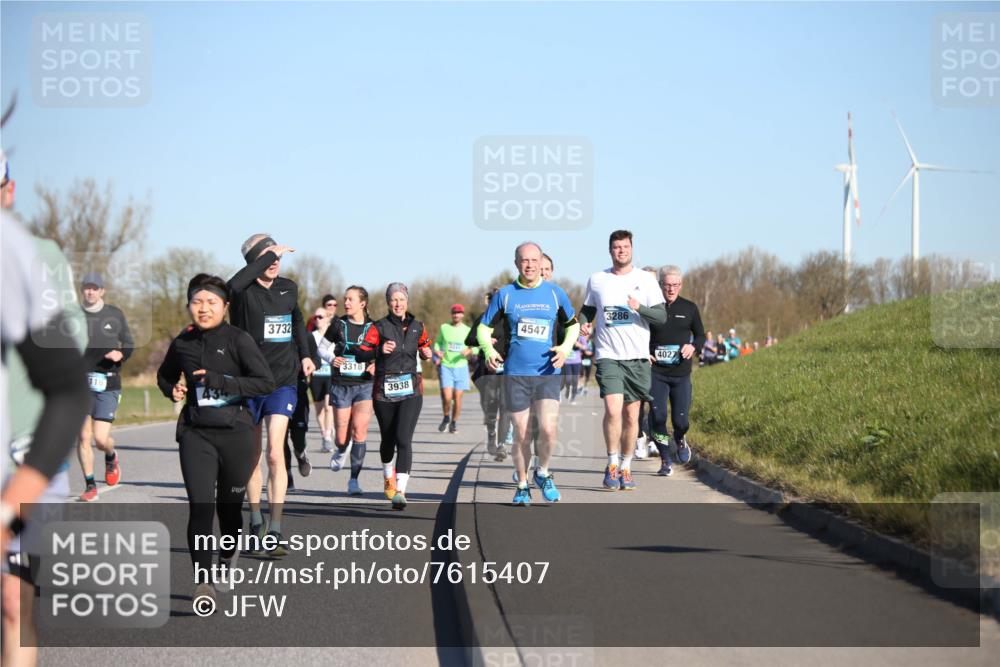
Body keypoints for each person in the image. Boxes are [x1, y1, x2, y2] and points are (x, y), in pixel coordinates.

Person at [2, 150, 90, 667]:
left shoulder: (28, 254)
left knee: (13, 602)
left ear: (8, 192)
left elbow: (68, 351)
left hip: (18, 455)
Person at [157, 274, 275, 608]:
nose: (204, 308)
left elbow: (264, 382)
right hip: (196, 433)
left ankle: (227, 557)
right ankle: (204, 582)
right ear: (189, 306)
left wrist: (220, 381)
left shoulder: (239, 340)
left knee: (229, 511)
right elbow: (164, 375)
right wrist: (172, 389)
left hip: (237, 435)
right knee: (200, 507)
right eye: (197, 302)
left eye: (211, 302)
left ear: (225, 306)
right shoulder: (183, 342)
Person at [227, 234, 314, 554]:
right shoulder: (241, 292)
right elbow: (232, 286)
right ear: (253, 261)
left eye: (278, 255)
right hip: (248, 383)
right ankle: (253, 518)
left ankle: (274, 528)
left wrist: (306, 355)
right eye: (267, 256)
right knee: (252, 456)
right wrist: (266, 256)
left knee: (276, 454)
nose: (275, 260)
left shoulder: (288, 288)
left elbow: (298, 321)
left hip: (282, 381)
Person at [477, 242, 580, 506]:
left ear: (541, 262)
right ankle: (522, 485)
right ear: (517, 263)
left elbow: (573, 326)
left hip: (547, 372)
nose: (530, 265)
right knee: (521, 432)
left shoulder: (555, 293)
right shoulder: (506, 294)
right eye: (525, 260)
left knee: (547, 428)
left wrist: (566, 348)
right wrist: (488, 350)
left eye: (535, 260)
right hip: (515, 375)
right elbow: (483, 328)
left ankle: (543, 472)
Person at [578, 230, 666, 491]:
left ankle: (627, 467)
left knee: (631, 417)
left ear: (632, 249)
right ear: (610, 250)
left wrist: (639, 308)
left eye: (625, 247)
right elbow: (587, 310)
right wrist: (584, 324)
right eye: (616, 247)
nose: (621, 251)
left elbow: (661, 318)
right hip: (608, 355)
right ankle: (612, 462)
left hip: (637, 358)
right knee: (613, 410)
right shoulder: (597, 280)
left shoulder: (646, 281)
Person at [346, 283, 433, 509]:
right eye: (394, 300)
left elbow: (425, 346)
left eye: (401, 299)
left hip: (411, 390)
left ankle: (401, 491)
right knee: (388, 440)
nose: (398, 303)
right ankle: (388, 477)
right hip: (384, 392)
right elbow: (359, 354)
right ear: (388, 302)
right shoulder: (379, 327)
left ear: (407, 301)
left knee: (404, 439)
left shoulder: (417, 326)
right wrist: (378, 351)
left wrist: (427, 353)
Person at [77, 272, 134, 501]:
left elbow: (129, 343)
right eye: (86, 288)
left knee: (101, 439)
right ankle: (90, 485)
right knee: (83, 437)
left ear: (102, 291)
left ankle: (110, 456)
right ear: (82, 291)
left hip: (108, 381)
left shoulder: (114, 314)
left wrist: (121, 354)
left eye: (94, 288)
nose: (90, 291)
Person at [647, 266, 705, 476]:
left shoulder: (689, 308)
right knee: (658, 416)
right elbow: (639, 334)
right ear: (660, 285)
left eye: (675, 285)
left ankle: (680, 438)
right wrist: (645, 352)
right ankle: (665, 458)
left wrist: (693, 346)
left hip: (681, 374)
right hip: (657, 373)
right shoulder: (652, 307)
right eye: (667, 285)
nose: (671, 289)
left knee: (681, 421)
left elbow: (700, 335)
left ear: (680, 285)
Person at [319, 286, 376, 496]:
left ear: (363, 303)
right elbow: (321, 348)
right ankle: (343, 449)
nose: (347, 303)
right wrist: (333, 359)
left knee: (360, 430)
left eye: (351, 299)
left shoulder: (373, 327)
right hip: (341, 384)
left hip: (364, 385)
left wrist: (376, 363)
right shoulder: (338, 324)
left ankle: (354, 480)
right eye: (345, 299)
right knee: (342, 437)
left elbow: (382, 352)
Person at [466, 288, 510, 461]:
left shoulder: (512, 319)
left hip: (507, 367)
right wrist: (483, 340)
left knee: (506, 407)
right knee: (491, 406)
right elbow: (468, 340)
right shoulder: (484, 320)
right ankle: (492, 433)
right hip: (488, 369)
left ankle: (502, 445)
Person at [434, 304, 472, 434]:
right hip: (446, 366)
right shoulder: (444, 328)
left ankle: (454, 423)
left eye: (459, 313)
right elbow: (437, 343)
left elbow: (476, 347)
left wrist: (469, 350)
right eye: (454, 313)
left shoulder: (467, 330)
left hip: (461, 367)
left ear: (462, 315)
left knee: (457, 398)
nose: (456, 315)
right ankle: (446, 417)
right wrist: (438, 351)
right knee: (447, 397)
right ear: (451, 314)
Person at [308, 308, 335, 451]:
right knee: (319, 410)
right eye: (315, 317)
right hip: (316, 374)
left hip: (330, 374)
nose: (318, 319)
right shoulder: (311, 336)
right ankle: (324, 433)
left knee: (328, 406)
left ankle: (328, 436)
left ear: (327, 319)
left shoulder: (333, 334)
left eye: (321, 317)